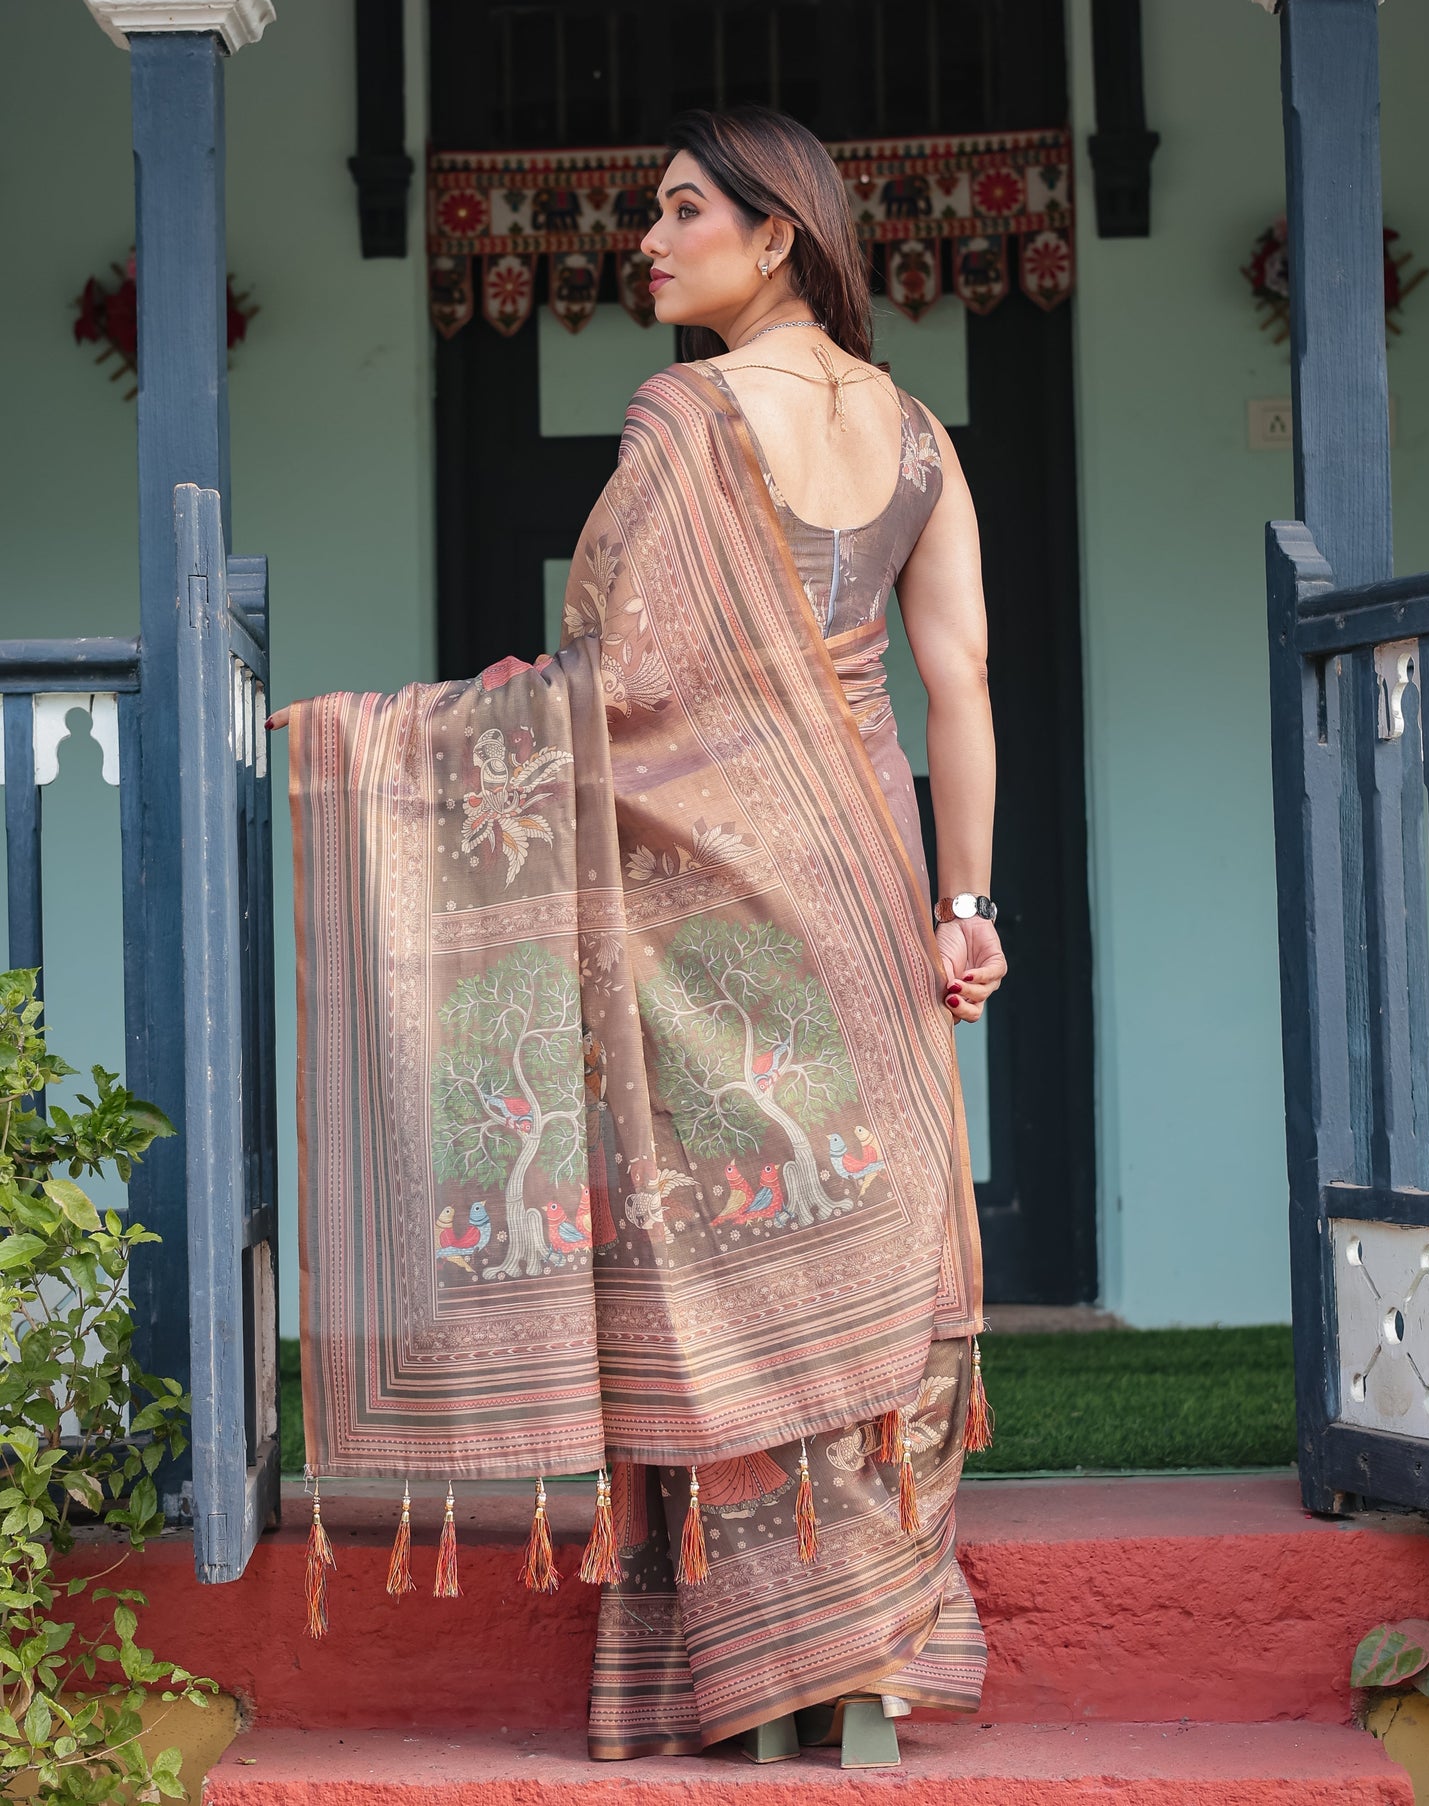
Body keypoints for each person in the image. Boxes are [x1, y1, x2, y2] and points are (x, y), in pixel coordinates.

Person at [272, 104, 1005, 1766]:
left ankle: (753, 1662)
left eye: (685, 214)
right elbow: (954, 681)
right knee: (852, 1220)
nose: (651, 243)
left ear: (779, 238)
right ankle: (867, 1647)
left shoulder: (681, 418)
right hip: (866, 861)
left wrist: (393, 746)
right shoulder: (916, 438)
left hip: (711, 888)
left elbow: (613, 675)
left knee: (724, 1242)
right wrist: (965, 907)